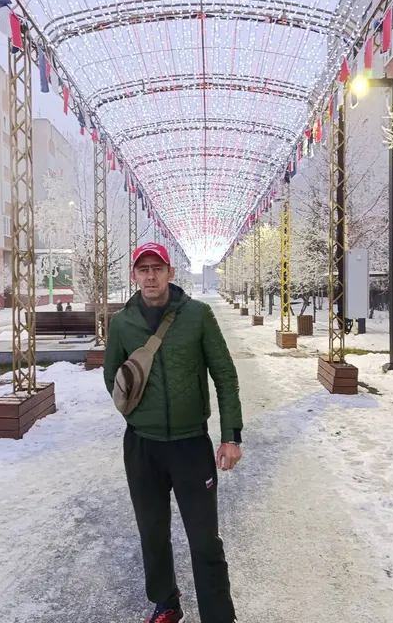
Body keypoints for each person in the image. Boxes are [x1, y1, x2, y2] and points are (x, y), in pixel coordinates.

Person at [104, 242, 242, 623]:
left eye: (157, 268)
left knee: (204, 539)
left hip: (190, 445)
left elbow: (225, 374)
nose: (150, 276)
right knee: (152, 533)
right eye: (143, 269)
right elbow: (112, 376)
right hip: (142, 447)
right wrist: (138, 413)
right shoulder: (122, 323)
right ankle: (166, 603)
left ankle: (219, 616)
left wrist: (231, 435)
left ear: (170, 272)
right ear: (134, 275)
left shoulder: (198, 315)